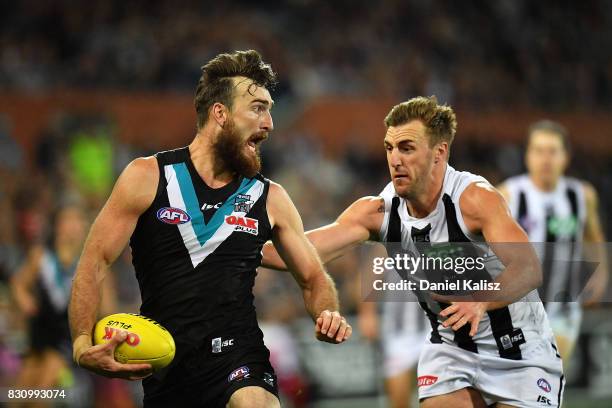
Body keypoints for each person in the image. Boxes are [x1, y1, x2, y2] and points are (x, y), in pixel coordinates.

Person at [68, 50, 352, 408]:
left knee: (255, 403)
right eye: (257, 108)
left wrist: (327, 313)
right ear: (220, 113)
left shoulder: (270, 197)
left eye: (269, 109)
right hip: (167, 370)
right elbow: (93, 262)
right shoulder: (148, 177)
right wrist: (81, 345)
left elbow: (314, 277)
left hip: (239, 356)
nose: (269, 123)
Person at [263, 96, 564, 407]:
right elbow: (301, 251)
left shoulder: (474, 200)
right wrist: (231, 244)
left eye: (406, 148)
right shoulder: (378, 213)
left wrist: (480, 300)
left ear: (439, 152)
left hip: (520, 353)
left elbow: (528, 268)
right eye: (389, 148)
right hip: (453, 352)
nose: (395, 159)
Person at [498, 120, 608, 365]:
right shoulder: (508, 194)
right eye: (538, 151)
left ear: (565, 157)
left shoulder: (582, 195)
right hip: (518, 309)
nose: (545, 159)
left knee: (550, 376)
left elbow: (594, 237)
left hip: (563, 307)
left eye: (552, 151)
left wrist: (600, 276)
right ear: (527, 156)